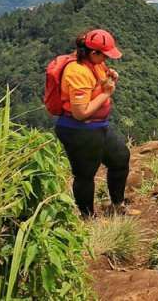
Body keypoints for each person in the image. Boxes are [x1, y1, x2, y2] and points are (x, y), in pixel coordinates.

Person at [53, 28, 136, 219]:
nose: (107, 59)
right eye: (104, 55)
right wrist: (107, 93)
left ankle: (117, 205)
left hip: (98, 126)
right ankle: (88, 217)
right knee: (85, 174)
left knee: (120, 157)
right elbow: (80, 113)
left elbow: (97, 84)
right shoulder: (77, 72)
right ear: (93, 53)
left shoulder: (95, 63)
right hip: (78, 130)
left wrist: (109, 77)